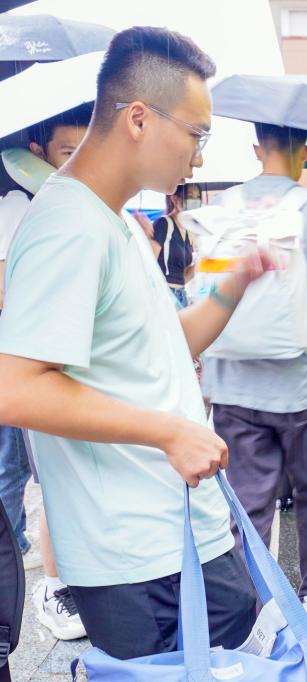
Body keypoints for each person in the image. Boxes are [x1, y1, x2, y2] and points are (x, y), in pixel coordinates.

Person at [0, 26, 270, 659]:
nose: (198, 158)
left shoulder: (113, 218)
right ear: (140, 119)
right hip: (139, 559)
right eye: (197, 134)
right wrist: (169, 432)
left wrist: (233, 287)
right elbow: (15, 387)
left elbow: (158, 349)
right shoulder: (69, 225)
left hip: (177, 536)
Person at [204, 122, 307, 608]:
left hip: (232, 384)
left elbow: (208, 285)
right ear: (305, 151)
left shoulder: (224, 206)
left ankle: (250, 607)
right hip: (303, 387)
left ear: (256, 148)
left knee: (248, 504)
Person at [0, 104, 92, 642]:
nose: (76, 161)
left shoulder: (63, 203)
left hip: (54, 362)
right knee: (31, 475)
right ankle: (44, 588)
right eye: (66, 150)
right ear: (37, 151)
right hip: (28, 366)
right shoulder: (19, 204)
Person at [151, 183, 199, 309]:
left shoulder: (189, 232)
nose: (194, 201)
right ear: (174, 199)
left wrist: (202, 261)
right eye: (189, 196)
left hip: (181, 295)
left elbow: (183, 277)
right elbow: (149, 263)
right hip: (165, 295)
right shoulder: (163, 224)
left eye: (197, 197)